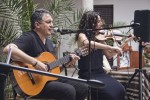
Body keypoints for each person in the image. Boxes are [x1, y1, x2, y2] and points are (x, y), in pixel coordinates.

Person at [3, 8, 88, 100]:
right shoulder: (29, 37)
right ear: (37, 24)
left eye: (52, 22)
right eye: (48, 22)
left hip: (48, 80)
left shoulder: (49, 42)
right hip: (33, 84)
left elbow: (51, 69)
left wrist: (65, 65)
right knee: (68, 90)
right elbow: (8, 49)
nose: (52, 25)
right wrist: (35, 63)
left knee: (83, 87)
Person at [75, 11, 126, 100]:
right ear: (90, 23)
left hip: (100, 73)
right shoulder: (82, 35)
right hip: (87, 74)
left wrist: (122, 45)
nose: (101, 23)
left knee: (120, 89)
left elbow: (109, 55)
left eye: (100, 21)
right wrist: (109, 46)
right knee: (109, 94)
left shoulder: (100, 37)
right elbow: (88, 43)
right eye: (98, 21)